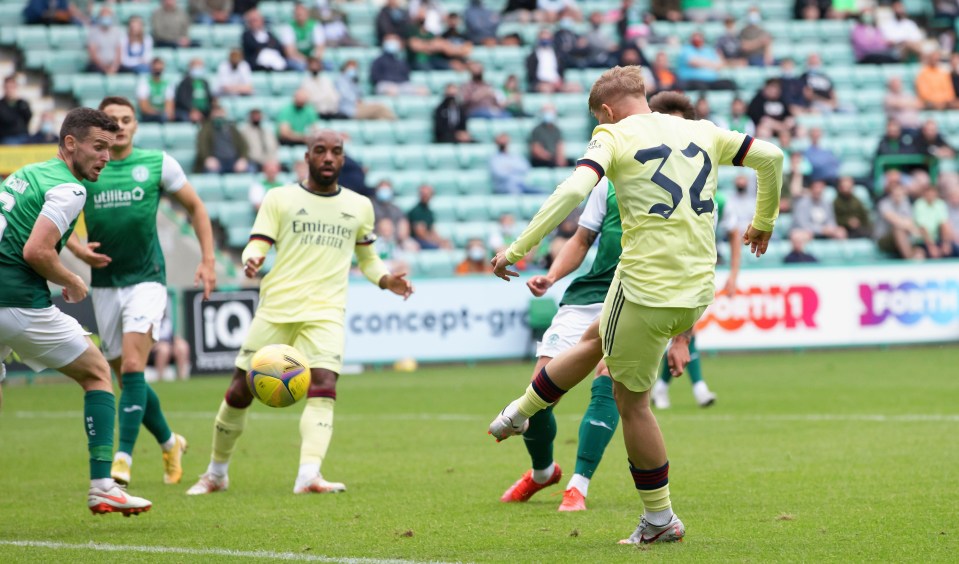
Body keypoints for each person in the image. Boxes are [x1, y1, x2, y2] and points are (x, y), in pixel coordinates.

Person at [487, 65, 783, 545]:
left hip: (645, 287)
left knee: (633, 404)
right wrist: (764, 219)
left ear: (605, 111)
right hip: (695, 289)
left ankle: (660, 519)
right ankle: (520, 410)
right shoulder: (703, 130)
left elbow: (573, 190)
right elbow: (771, 155)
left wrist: (515, 251)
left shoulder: (613, 135)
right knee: (594, 338)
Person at [186, 131, 414, 496]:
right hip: (277, 308)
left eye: (335, 152)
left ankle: (309, 474)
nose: (328, 157)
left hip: (326, 311)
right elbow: (257, 243)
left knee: (324, 387)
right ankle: (216, 472)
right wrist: (251, 259)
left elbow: (368, 259)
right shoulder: (281, 198)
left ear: (343, 160)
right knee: (240, 391)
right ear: (307, 156)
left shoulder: (359, 206)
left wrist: (387, 279)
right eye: (320, 151)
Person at [0, 107, 153, 515]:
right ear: (70, 143)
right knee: (98, 373)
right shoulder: (72, 188)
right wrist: (72, 279)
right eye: (98, 146)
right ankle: (104, 485)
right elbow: (36, 250)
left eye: (112, 146)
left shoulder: (27, 174)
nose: (106, 155)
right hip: (15, 301)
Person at [66, 96, 215, 488]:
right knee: (127, 378)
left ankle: (123, 458)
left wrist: (209, 260)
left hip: (147, 279)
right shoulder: (86, 168)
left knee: (133, 368)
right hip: (105, 287)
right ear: (99, 127)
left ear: (135, 125)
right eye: (111, 120)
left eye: (126, 119)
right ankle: (171, 442)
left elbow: (197, 208)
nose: (119, 126)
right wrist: (77, 247)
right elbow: (57, 215)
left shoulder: (157, 164)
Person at [497, 173, 624, 512]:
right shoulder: (608, 184)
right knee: (537, 394)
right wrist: (552, 276)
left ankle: (578, 485)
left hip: (635, 298)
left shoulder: (685, 181)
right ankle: (543, 473)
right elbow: (582, 240)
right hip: (587, 297)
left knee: (607, 380)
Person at [194, 102, 251, 173]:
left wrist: (243, 159)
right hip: (216, 161)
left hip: (233, 160)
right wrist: (207, 159)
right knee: (211, 172)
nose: (219, 116)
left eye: (221, 113)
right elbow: (202, 146)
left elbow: (243, 145)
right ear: (212, 114)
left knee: (250, 169)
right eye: (216, 113)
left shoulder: (232, 128)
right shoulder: (206, 128)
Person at [876, 178, 922, 259]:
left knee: (920, 251)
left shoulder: (905, 203)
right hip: (884, 239)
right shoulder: (884, 203)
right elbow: (894, 220)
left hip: (904, 237)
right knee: (899, 229)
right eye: (895, 191)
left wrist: (913, 229)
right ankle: (909, 258)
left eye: (900, 191)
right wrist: (913, 229)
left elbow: (910, 221)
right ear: (891, 193)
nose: (898, 193)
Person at [914, 184, 957, 259]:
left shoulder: (940, 204)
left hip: (937, 240)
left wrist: (946, 243)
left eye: (933, 192)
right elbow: (922, 228)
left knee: (953, 250)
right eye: (928, 192)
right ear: (924, 194)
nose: (931, 194)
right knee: (919, 256)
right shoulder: (919, 204)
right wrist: (931, 246)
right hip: (921, 241)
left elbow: (944, 224)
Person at [278, 3, 325, 72]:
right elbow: (290, 52)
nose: (300, 15)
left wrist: (313, 61)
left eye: (301, 13)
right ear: (294, 15)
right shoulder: (289, 27)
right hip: (297, 60)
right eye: (298, 14)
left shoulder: (315, 25)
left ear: (307, 13)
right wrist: (306, 61)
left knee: (327, 65)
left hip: (312, 59)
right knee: (300, 67)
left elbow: (320, 48)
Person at [152, 303, 190, 381]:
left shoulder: (167, 321)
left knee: (182, 347)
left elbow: (172, 336)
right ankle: (160, 378)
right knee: (164, 349)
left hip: (169, 346)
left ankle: (182, 377)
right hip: (154, 349)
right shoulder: (149, 322)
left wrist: (178, 340)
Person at [407, 184, 450, 249]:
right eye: (423, 194)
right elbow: (420, 233)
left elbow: (432, 230)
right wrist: (437, 241)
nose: (425, 196)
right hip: (418, 241)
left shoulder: (429, 212)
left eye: (427, 194)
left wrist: (441, 240)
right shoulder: (416, 211)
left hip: (427, 240)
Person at [86, 7, 124, 75]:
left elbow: (119, 52)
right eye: (103, 17)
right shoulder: (93, 32)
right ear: (99, 18)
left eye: (108, 17)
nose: (106, 19)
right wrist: (104, 68)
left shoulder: (117, 32)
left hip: (113, 64)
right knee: (93, 70)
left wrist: (114, 67)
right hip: (98, 65)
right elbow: (93, 54)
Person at [136, 58, 175, 123]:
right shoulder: (144, 83)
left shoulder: (167, 84)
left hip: (162, 115)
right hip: (148, 115)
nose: (158, 70)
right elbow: (144, 107)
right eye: (156, 68)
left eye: (159, 68)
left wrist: (166, 113)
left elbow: (169, 105)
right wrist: (157, 113)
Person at [174, 59, 213, 123]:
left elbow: (209, 98)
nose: (198, 69)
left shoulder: (205, 82)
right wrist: (192, 110)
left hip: (204, 111)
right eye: (196, 66)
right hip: (188, 111)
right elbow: (182, 100)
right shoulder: (185, 83)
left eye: (200, 66)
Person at [0, 75, 33, 145]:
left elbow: (28, 116)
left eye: (12, 87)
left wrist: (19, 103)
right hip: (7, 137)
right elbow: (6, 119)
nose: (10, 90)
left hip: (23, 136)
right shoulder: (1, 104)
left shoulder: (22, 103)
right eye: (8, 87)